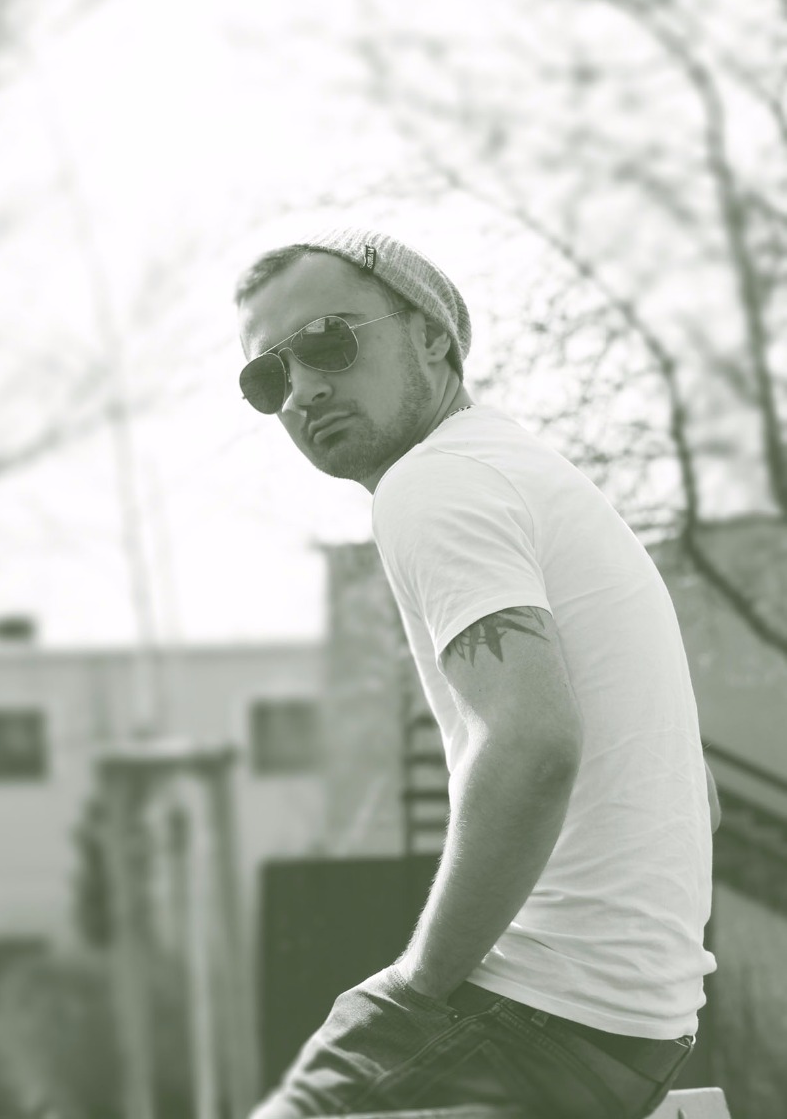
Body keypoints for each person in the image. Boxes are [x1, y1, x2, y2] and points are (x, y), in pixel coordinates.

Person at [234, 227, 719, 1119]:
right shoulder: (529, 474)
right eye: (269, 378)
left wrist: (418, 984)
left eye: (328, 342)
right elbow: (700, 794)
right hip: (639, 1029)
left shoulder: (434, 483)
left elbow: (532, 745)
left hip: (531, 1016)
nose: (303, 389)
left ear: (432, 336)